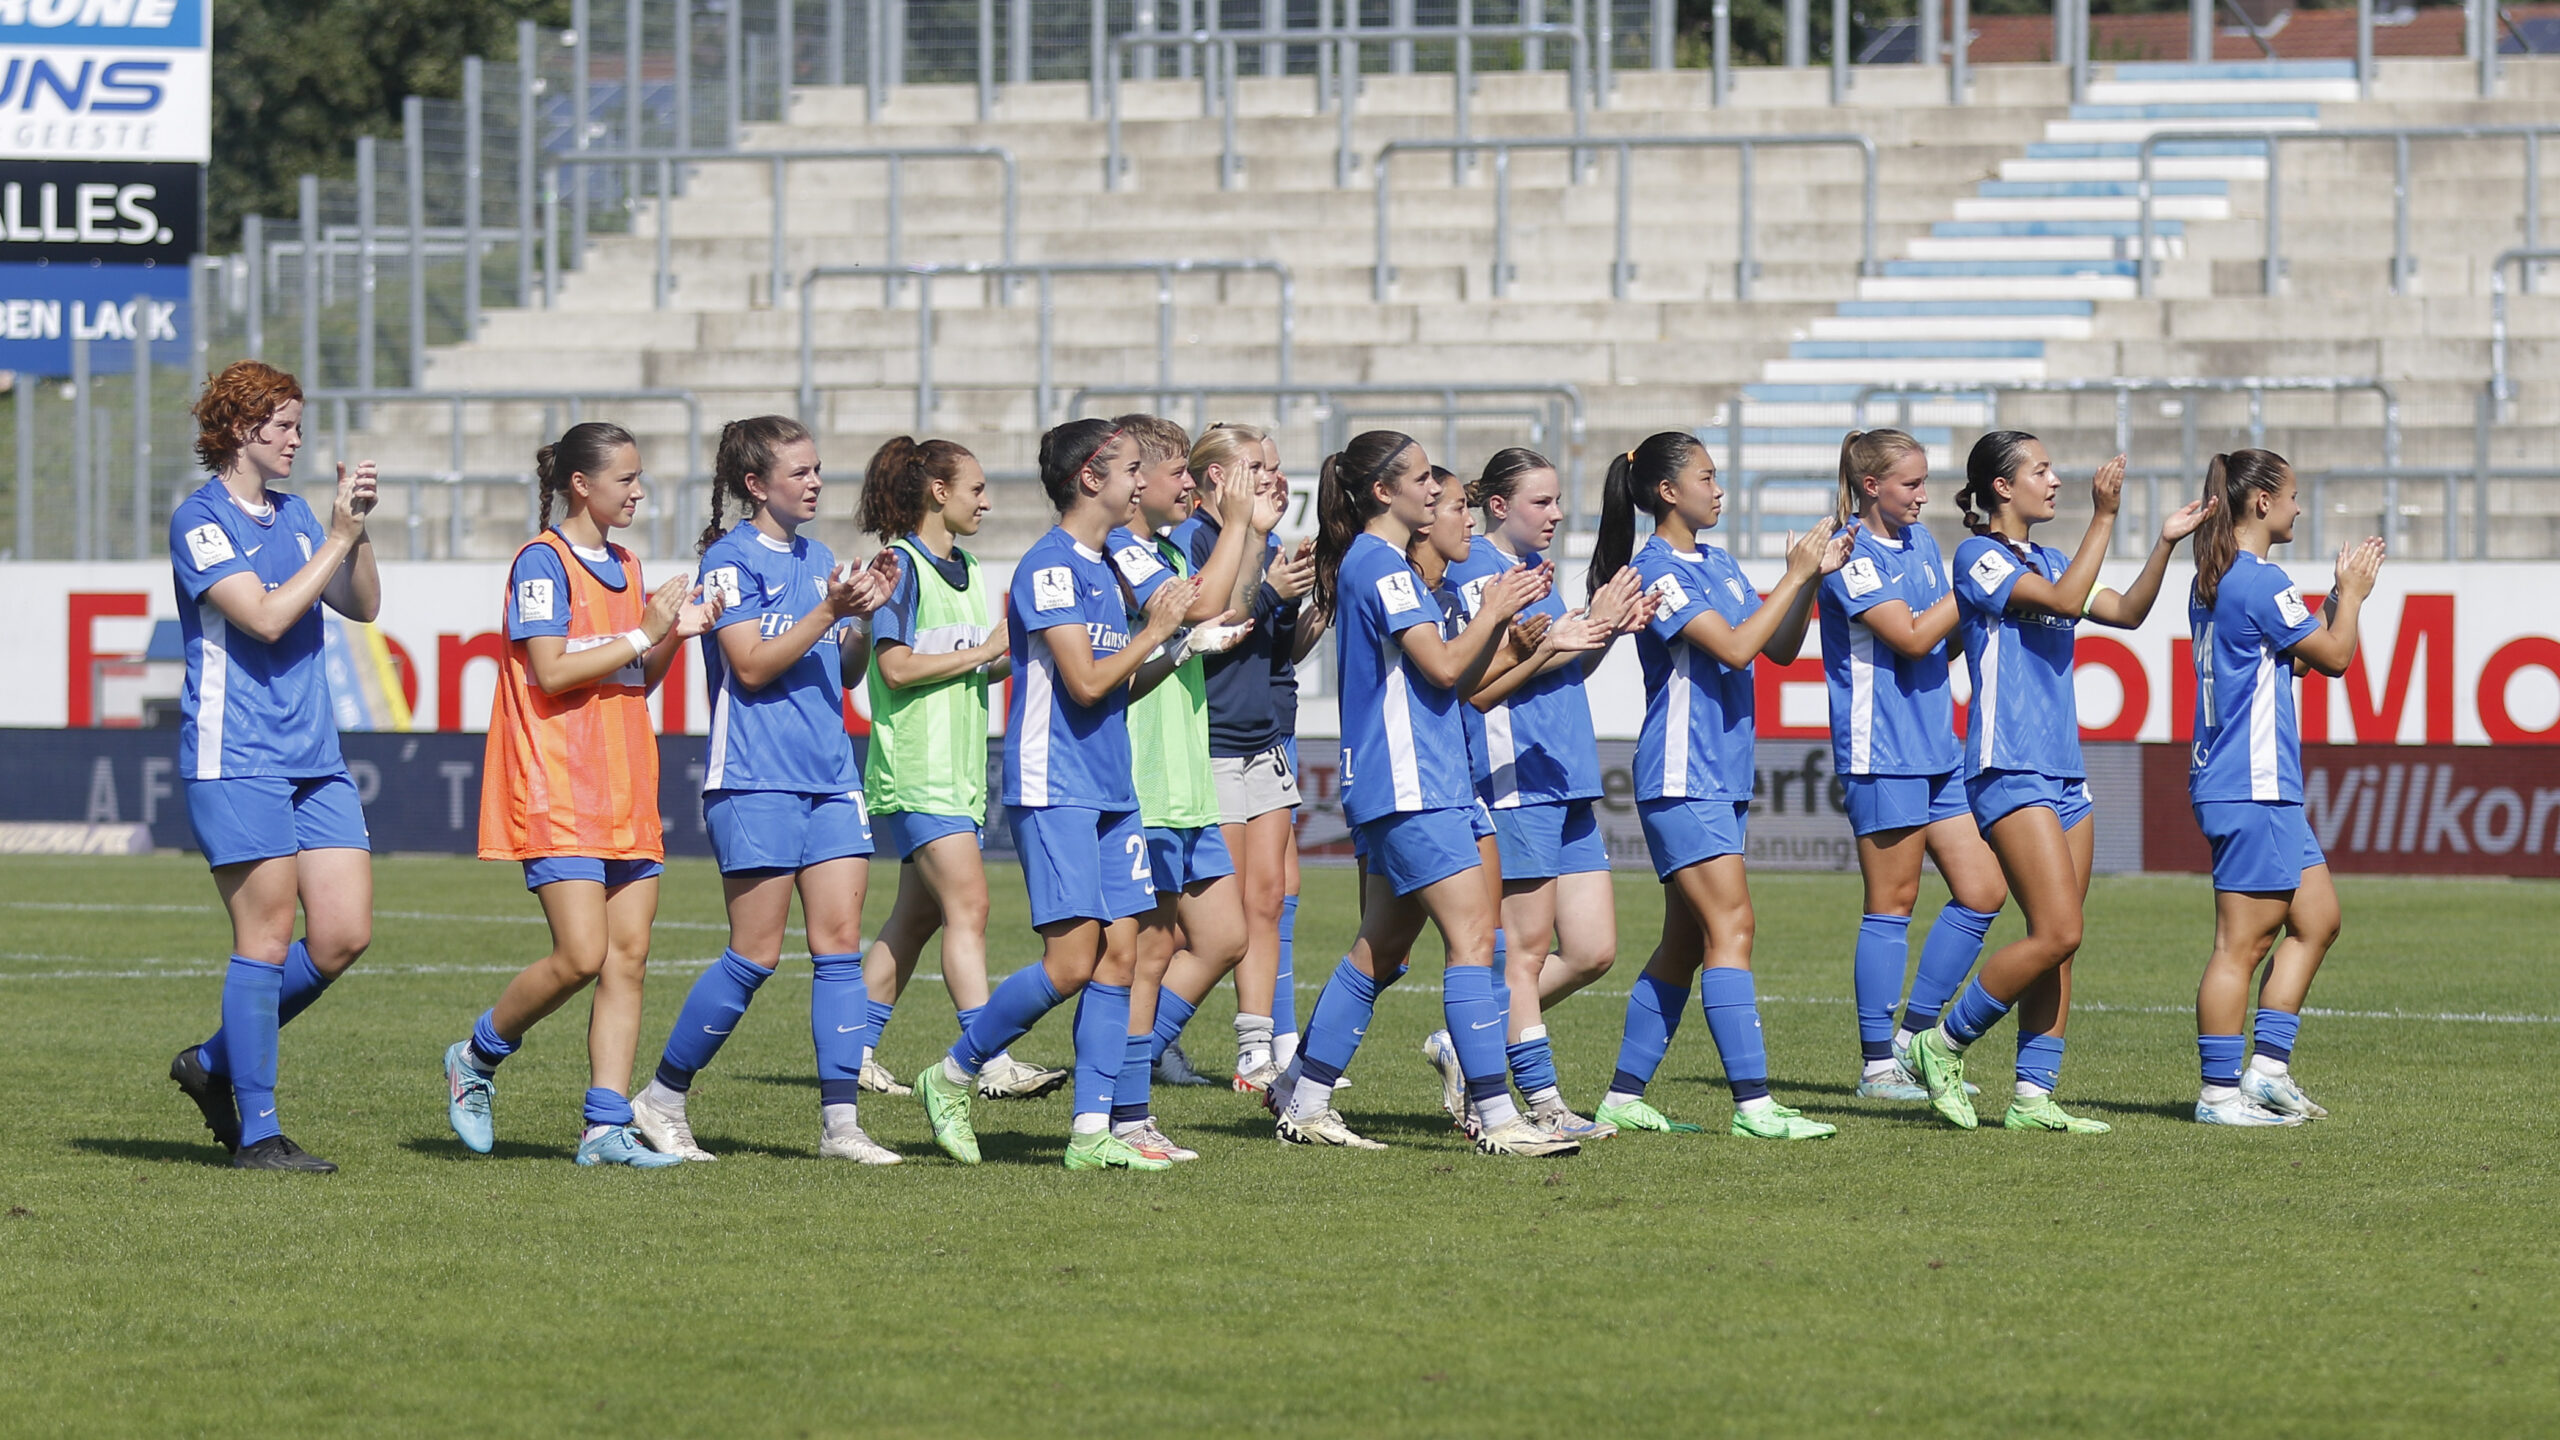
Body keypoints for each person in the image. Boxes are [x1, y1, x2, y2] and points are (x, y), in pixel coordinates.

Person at [909, 418, 1205, 1172]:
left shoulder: (1107, 568)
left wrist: (1179, 647)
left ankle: (1089, 1133)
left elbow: (1122, 685)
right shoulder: (1050, 566)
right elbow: (1083, 681)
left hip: (1111, 784)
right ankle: (950, 1075)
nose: (1142, 482)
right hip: (1056, 784)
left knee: (1121, 955)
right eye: (1131, 469)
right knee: (1073, 962)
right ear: (1090, 478)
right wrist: (1157, 630)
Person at [1271, 431, 1578, 1158]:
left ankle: (1306, 1101)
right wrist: (1495, 611)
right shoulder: (1382, 567)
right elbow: (1443, 669)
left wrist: (1511, 637)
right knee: (1475, 942)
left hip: (1429, 777)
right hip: (1410, 783)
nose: (1438, 494)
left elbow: (1447, 678)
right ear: (1385, 492)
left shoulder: (1383, 567)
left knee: (1381, 947)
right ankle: (1500, 1121)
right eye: (1422, 481)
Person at [1903, 432, 2208, 1134]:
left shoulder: (2046, 558)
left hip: (2064, 769)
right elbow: (2069, 605)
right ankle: (1938, 1044)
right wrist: (2104, 517)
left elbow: (2124, 613)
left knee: (2062, 939)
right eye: (2040, 470)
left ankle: (2034, 1095)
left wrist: (2163, 543)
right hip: (2007, 765)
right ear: (2002, 488)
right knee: (2057, 928)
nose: (2056, 480)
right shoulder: (1976, 556)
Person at [626, 416, 903, 1165]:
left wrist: (864, 621)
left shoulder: (819, 557)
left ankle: (841, 1126)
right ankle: (663, 1096)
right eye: (800, 472)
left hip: (829, 775)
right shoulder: (729, 559)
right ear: (757, 484)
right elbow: (748, 665)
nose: (816, 482)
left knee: (841, 947)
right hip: (753, 777)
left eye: (818, 470)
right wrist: (830, 610)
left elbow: (841, 674)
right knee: (754, 955)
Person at [442, 423, 721, 1168]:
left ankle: (605, 1127)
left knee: (627, 958)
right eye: (625, 478)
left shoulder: (628, 564)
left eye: (639, 477)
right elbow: (553, 671)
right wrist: (645, 633)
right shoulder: (542, 561)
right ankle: (475, 1056)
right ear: (580, 485)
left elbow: (634, 679)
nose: (638, 491)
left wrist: (672, 637)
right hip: (559, 783)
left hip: (626, 782)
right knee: (580, 954)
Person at [1583, 431, 1846, 1142]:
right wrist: (1792, 576)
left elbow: (1778, 647)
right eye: (1706, 476)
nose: (1718, 487)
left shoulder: (1720, 562)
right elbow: (1731, 647)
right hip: (1681, 772)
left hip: (1719, 775)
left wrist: (1812, 577)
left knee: (1685, 943)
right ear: (1668, 492)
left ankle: (1621, 1097)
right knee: (1735, 927)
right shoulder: (1655, 569)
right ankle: (1755, 1105)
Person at [163, 360, 381, 1173]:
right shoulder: (200, 519)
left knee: (343, 934)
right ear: (239, 428)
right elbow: (260, 616)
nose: (295, 437)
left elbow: (363, 604)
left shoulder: (297, 517)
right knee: (265, 936)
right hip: (237, 754)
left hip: (313, 755)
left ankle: (214, 1061)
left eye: (297, 423)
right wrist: (332, 538)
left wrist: (353, 528)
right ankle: (258, 1133)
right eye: (282, 424)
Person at [1423, 448, 1641, 1141]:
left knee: (1593, 949)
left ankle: (1467, 1036)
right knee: (1521, 951)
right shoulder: (1476, 577)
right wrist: (1553, 645)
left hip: (1566, 770)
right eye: (1540, 502)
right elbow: (1475, 689)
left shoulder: (1532, 576)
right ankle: (1542, 1102)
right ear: (1498, 505)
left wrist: (1604, 627)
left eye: (1556, 501)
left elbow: (1560, 663)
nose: (1555, 514)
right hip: (1513, 777)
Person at [851, 436, 1066, 1104]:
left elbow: (977, 660)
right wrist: (983, 652)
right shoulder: (900, 565)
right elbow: (894, 667)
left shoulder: (969, 566)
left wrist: (1020, 655)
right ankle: (989, 1060)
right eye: (976, 489)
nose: (987, 501)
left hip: (959, 773)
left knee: (915, 921)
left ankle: (848, 1050)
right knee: (970, 905)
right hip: (918, 769)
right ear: (938, 493)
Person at [2185, 450, 2385, 1126]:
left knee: (2318, 919)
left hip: (2255, 785)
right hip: (2251, 785)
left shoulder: (2219, 578)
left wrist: (2331, 599)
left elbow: (2284, 659)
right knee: (2240, 946)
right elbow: (2332, 658)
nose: (2300, 508)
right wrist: (2352, 597)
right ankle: (2218, 1095)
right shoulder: (2261, 580)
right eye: (2294, 496)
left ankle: (2267, 1072)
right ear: (2262, 502)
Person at [1818, 429, 2007, 1103]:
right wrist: (1980, 581)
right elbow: (1909, 636)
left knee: (1984, 891)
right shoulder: (1849, 553)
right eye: (1911, 484)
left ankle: (1913, 1043)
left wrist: (1974, 606)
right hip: (1882, 751)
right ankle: (1876, 1068)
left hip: (1936, 746)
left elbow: (1938, 649)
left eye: (1926, 482)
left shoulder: (1923, 545)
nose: (1924, 496)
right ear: (1872, 487)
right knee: (1892, 905)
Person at [1113, 414, 1259, 1161]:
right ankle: (1123, 1106)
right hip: (1146, 774)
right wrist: (1235, 521)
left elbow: (1219, 606)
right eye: (1176, 474)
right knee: (1143, 952)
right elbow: (1198, 606)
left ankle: (1121, 1072)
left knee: (1224, 936)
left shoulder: (1162, 549)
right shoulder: (1121, 552)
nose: (1187, 486)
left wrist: (1249, 534)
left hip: (1184, 773)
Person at [1164, 423, 1301, 1090]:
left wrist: (1306, 603)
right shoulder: (1196, 540)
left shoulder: (1264, 538)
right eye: (1256, 465)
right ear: (1217, 478)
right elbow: (1220, 624)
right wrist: (1268, 583)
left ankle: (1259, 1049)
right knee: (1223, 918)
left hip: (1262, 739)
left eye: (1274, 465)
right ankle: (1150, 1041)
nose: (1272, 476)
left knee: (1269, 901)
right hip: (1213, 739)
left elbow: (1272, 650)